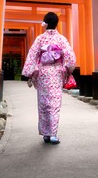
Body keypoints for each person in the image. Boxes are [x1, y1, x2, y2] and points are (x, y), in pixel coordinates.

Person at [21, 12, 76, 144]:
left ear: (45, 23)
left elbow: (32, 55)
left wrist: (29, 73)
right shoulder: (61, 39)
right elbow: (70, 59)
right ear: (57, 24)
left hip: (43, 73)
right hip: (56, 73)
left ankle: (45, 133)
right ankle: (53, 134)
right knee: (54, 104)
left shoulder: (40, 39)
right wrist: (67, 70)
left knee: (43, 103)